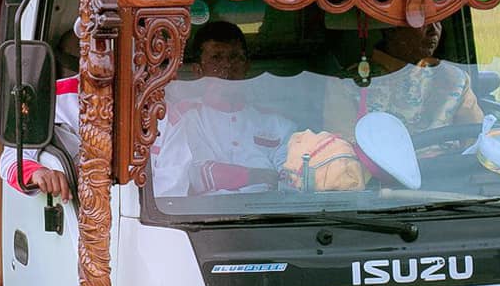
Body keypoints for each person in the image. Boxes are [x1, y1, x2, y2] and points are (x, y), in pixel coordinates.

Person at [151, 20, 297, 198]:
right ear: (198, 70)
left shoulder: (276, 123)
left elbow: (292, 177)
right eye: (216, 58)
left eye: (235, 58)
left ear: (247, 66)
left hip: (271, 216)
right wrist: (255, 176)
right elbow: (193, 173)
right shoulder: (181, 117)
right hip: (203, 220)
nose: (227, 66)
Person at [324, 19, 481, 138]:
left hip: (450, 176)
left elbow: (476, 138)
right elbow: (344, 151)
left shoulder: (454, 79)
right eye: (422, 22)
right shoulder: (349, 84)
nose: (434, 31)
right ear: (390, 29)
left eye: (438, 21)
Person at [0, 28, 80, 199]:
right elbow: (11, 160)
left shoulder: (148, 98)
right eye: (96, 44)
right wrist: (38, 173)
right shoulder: (52, 98)